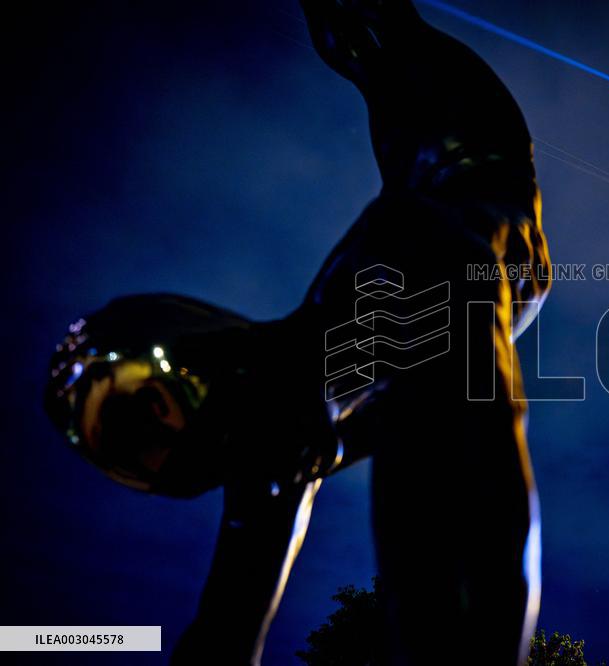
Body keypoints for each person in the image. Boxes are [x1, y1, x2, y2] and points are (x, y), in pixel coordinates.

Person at [43, 1, 551, 663]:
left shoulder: (371, 284)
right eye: (147, 446)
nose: (164, 436)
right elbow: (226, 625)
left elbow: (399, 238)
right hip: (461, 227)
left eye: (152, 410)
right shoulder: (270, 453)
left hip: (464, 195)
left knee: (413, 241)